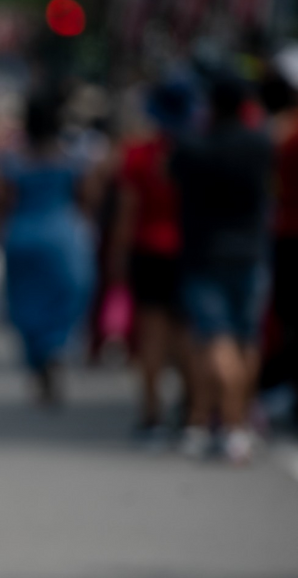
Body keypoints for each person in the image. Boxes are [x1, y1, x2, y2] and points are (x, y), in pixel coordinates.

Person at [170, 75, 273, 463]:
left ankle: (228, 426)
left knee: (214, 340)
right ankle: (237, 423)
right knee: (246, 341)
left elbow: (174, 176)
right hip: (251, 253)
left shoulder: (195, 146)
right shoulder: (260, 145)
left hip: (205, 255)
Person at [0, 93, 99, 407]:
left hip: (23, 235)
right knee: (65, 299)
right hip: (63, 237)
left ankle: (38, 361)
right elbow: (88, 198)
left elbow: (1, 203)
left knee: (26, 304)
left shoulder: (13, 161)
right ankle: (56, 350)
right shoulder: (72, 159)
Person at [109, 79, 197, 446]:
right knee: (189, 338)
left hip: (148, 251)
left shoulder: (138, 154)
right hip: (190, 252)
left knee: (151, 339)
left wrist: (117, 257)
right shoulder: (198, 152)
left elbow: (127, 212)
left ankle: (152, 417)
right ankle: (192, 413)